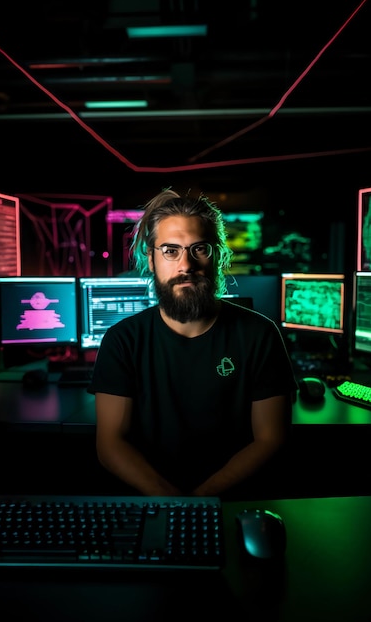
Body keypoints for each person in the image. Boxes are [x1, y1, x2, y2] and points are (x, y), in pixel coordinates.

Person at [91, 188, 297, 498]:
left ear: (219, 255)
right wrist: (174, 503)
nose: (185, 265)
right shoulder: (123, 340)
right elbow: (110, 445)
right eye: (170, 250)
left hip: (234, 505)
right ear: (151, 258)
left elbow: (271, 439)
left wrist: (201, 502)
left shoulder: (260, 334)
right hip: (152, 504)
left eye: (198, 249)